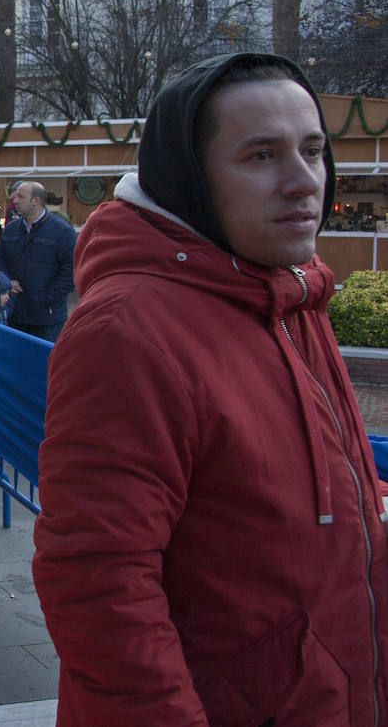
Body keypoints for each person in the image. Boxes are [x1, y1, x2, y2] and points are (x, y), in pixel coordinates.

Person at [34, 52, 388, 725]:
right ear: (191, 179)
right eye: (261, 157)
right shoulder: (129, 330)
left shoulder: (291, 293)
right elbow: (97, 584)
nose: (303, 181)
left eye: (312, 151)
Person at [0, 181, 76, 342]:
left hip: (47, 318)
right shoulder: (11, 229)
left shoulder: (62, 231)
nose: (14, 200)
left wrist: (45, 298)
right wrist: (7, 282)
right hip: (15, 314)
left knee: (43, 364)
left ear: (36, 201)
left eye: (20, 197)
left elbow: (71, 270)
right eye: (15, 196)